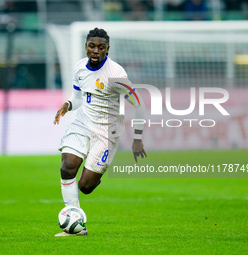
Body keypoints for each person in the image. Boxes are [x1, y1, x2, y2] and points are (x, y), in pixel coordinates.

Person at [53, 28, 147, 236]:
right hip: (82, 123)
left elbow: (139, 103)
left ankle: (96, 172)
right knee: (67, 167)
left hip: (106, 132)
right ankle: (75, 226)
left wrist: (138, 138)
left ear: (107, 50)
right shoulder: (80, 67)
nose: (96, 50)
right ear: (86, 47)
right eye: (92, 46)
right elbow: (78, 97)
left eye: (101, 47)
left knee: (86, 186)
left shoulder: (116, 74)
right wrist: (67, 105)